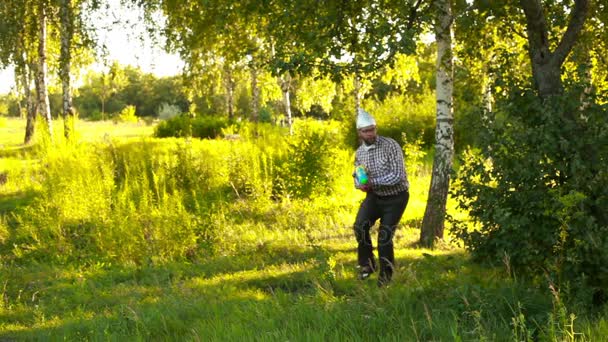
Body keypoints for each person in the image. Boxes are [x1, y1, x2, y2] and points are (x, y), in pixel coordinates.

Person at [353, 108, 409, 287]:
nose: (370, 133)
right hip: (375, 196)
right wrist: (360, 184)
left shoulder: (390, 145)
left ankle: (386, 276)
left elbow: (397, 175)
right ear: (359, 133)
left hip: (396, 197)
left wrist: (373, 183)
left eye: (373, 129)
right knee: (360, 226)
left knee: (384, 236)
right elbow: (358, 174)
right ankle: (367, 265)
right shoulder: (360, 153)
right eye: (366, 131)